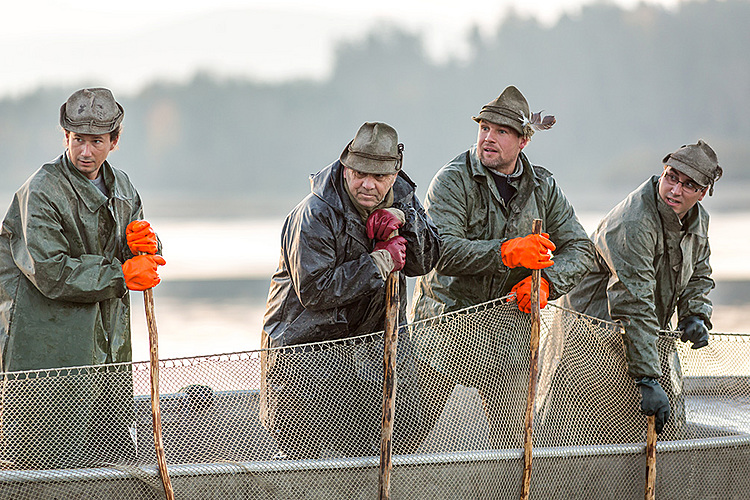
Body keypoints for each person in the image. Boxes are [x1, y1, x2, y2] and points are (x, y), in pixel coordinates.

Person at [410, 85, 596, 449]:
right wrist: (508, 252)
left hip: (508, 337)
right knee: (406, 433)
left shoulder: (543, 187)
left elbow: (582, 250)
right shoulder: (451, 180)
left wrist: (546, 285)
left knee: (516, 443)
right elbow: (440, 250)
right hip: (443, 330)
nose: (488, 138)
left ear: (524, 140)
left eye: (502, 131)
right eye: (484, 128)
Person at [0, 87, 165, 469]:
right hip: (45, 345)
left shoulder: (123, 188)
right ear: (66, 138)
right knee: (43, 452)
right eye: (77, 141)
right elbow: (51, 272)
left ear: (115, 141)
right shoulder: (41, 190)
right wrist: (122, 273)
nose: (85, 152)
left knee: (113, 451)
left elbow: (135, 256)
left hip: (109, 344)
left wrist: (150, 246)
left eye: (96, 141)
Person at [260, 122, 441, 459]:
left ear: (394, 174)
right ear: (345, 166)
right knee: (321, 451)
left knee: (416, 411)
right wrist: (379, 263)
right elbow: (315, 291)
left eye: (378, 177)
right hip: (304, 354)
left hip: (377, 343)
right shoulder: (314, 214)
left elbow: (426, 260)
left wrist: (406, 219)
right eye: (359, 173)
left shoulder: (403, 196)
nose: (367, 185)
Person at [558, 140, 721, 438]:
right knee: (593, 433)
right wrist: (647, 377)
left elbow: (699, 272)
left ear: (703, 193)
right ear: (663, 172)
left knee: (663, 427)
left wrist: (694, 314)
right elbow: (633, 303)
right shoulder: (633, 222)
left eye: (688, 185)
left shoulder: (698, 220)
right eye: (671, 177)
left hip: (642, 335)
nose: (674, 190)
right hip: (592, 341)